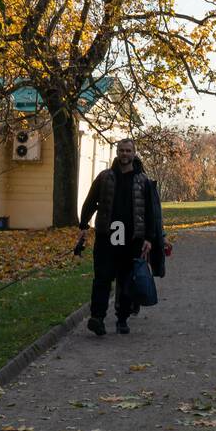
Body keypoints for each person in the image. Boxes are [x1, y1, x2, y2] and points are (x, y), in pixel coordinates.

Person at [78, 137, 156, 337]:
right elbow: (90, 201)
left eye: (128, 151)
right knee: (102, 277)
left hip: (132, 238)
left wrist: (149, 237)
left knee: (126, 279)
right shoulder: (105, 177)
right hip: (107, 235)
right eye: (121, 150)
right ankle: (97, 317)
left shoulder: (143, 181)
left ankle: (122, 319)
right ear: (117, 152)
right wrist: (84, 225)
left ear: (134, 153)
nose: (124, 154)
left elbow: (150, 212)